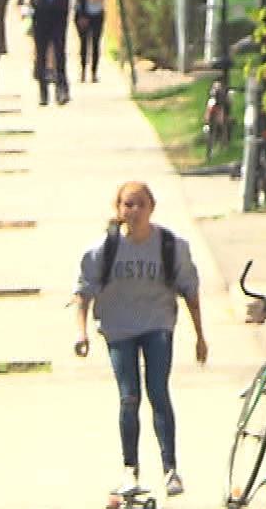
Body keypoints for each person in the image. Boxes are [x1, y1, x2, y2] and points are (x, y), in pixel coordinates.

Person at [74, 181, 207, 498]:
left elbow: (190, 292)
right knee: (128, 396)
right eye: (127, 205)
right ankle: (130, 469)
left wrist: (200, 336)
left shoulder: (170, 246)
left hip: (157, 324)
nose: (134, 211)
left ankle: (170, 468)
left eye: (140, 205)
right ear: (118, 210)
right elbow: (83, 293)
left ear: (152, 208)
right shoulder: (102, 250)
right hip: (119, 328)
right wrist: (80, 332)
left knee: (158, 392)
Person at [75, 0, 110, 83]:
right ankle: (83, 71)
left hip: (97, 12)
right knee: (83, 43)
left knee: (95, 43)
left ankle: (94, 73)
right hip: (82, 12)